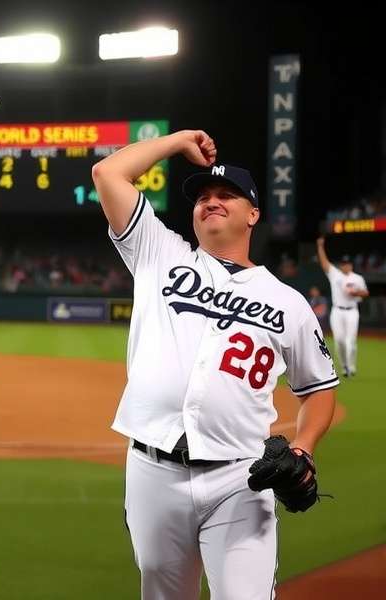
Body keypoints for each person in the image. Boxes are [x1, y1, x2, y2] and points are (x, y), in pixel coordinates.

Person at [91, 131, 338, 599]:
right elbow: (108, 173)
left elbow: (319, 389)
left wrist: (303, 448)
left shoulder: (288, 303)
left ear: (253, 214)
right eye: (203, 196)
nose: (212, 201)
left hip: (241, 477)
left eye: (228, 195)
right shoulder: (159, 254)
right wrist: (180, 140)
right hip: (152, 472)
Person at [316, 237, 369, 376]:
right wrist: (320, 246)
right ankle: (344, 366)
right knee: (339, 341)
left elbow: (365, 292)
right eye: (344, 263)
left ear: (351, 265)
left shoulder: (357, 278)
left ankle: (351, 367)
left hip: (352, 311)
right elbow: (324, 263)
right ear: (341, 265)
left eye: (348, 263)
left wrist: (355, 292)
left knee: (350, 341)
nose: (346, 265)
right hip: (337, 311)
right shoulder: (335, 275)